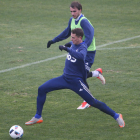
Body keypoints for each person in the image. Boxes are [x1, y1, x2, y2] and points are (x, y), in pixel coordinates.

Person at [25, 28, 125, 128]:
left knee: (92, 102)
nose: (71, 39)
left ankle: (116, 115)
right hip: (64, 79)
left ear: (80, 38)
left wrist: (67, 49)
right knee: (42, 89)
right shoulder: (73, 43)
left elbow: (81, 56)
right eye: (71, 37)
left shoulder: (83, 47)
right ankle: (38, 117)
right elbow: (71, 43)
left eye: (73, 38)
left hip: (76, 82)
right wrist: (67, 44)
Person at [47, 1, 105, 109]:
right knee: (78, 75)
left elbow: (90, 36)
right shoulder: (72, 20)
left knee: (80, 76)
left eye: (74, 11)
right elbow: (66, 32)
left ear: (80, 10)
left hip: (88, 53)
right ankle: (96, 73)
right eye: (71, 11)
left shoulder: (84, 22)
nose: (73, 13)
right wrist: (53, 40)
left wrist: (82, 49)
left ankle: (87, 100)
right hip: (79, 51)